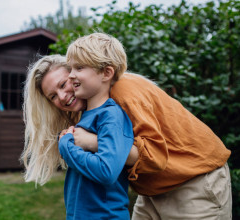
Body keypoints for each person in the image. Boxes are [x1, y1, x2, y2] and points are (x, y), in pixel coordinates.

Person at [21, 35, 232, 219]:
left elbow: (154, 156)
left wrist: (88, 142)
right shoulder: (87, 108)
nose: (63, 96)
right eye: (53, 96)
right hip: (152, 190)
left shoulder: (121, 92)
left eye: (63, 84)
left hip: (194, 181)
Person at [56, 33, 134, 219]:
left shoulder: (111, 115)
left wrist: (66, 146)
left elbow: (106, 170)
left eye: (80, 67)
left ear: (106, 73)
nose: (71, 75)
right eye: (71, 68)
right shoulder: (87, 115)